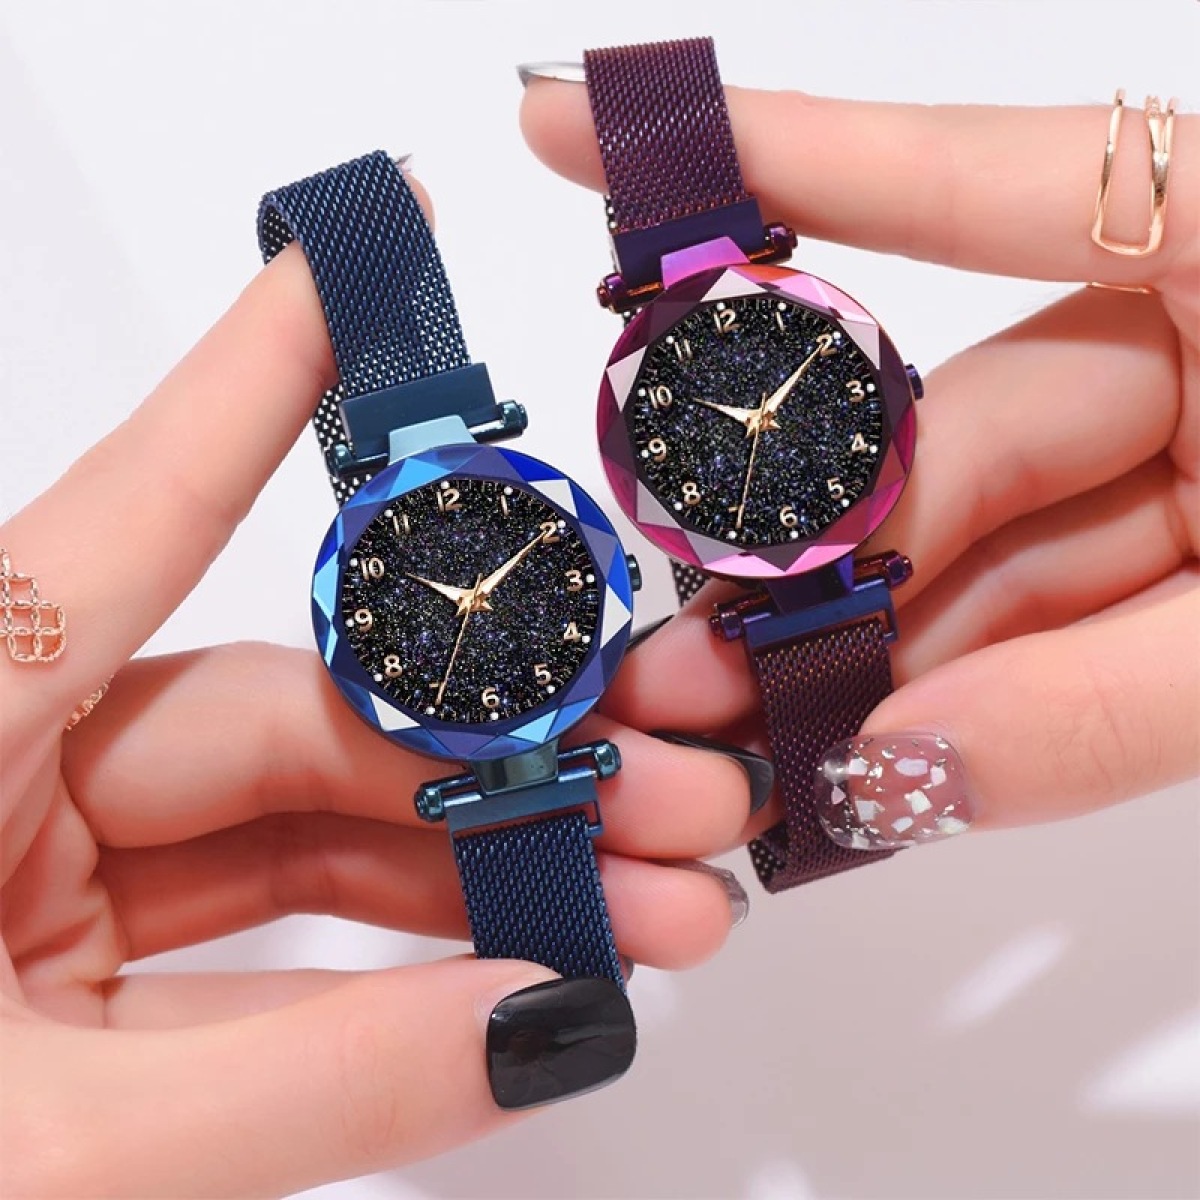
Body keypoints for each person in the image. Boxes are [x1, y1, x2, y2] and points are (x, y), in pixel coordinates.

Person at [0, 73, 1195, 1200]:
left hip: (747, 597)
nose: (476, 600)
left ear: (618, 554)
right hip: (504, 740)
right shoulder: (515, 553)